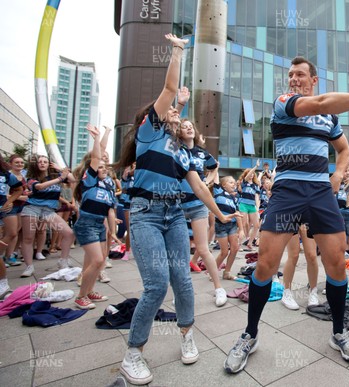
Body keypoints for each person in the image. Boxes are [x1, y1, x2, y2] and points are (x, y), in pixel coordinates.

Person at [223, 56, 349, 374]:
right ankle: (249, 335)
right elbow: (319, 103)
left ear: (314, 79)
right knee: (265, 265)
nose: (293, 79)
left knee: (334, 264)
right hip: (287, 192)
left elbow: (343, 149)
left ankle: (338, 332)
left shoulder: (329, 119)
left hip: (321, 194)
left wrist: (338, 176)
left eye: (300, 74)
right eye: (290, 74)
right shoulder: (284, 103)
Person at [114, 33, 235, 385]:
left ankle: (186, 335)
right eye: (169, 112)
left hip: (173, 216)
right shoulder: (149, 132)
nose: (172, 112)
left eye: (176, 113)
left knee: (182, 280)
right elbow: (169, 89)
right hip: (145, 214)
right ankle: (132, 354)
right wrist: (178, 51)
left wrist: (220, 213)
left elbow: (197, 186)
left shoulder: (182, 152)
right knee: (156, 285)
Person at [177, 118, 227, 306]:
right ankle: (180, 293)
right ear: (179, 132)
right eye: (184, 127)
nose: (189, 128)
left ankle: (218, 288)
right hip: (178, 206)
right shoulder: (176, 150)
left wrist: (208, 181)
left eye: (191, 126)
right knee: (180, 252)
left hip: (198, 205)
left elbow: (215, 168)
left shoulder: (201, 153)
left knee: (203, 248)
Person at [72, 125, 120, 309]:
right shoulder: (90, 180)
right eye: (99, 166)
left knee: (100, 261)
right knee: (98, 261)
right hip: (86, 224)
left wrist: (113, 232)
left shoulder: (108, 184)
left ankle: (90, 291)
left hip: (100, 224)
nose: (103, 168)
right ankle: (81, 296)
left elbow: (110, 210)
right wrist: (100, 136)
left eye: (105, 166)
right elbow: (96, 156)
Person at [20, 155, 76, 277]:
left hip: (48, 210)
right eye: (40, 162)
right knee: (28, 238)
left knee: (69, 233)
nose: (42, 163)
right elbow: (39, 187)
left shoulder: (55, 176)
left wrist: (60, 169)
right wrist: (61, 178)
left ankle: (63, 261)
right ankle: (29, 266)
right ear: (36, 164)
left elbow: (72, 179)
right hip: (32, 207)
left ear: (49, 164)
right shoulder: (31, 177)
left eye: (45, 162)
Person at [0, 159, 24, 299]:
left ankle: (3, 283)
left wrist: (9, 201)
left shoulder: (5, 174)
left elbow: (19, 188)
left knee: (13, 233)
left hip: (3, 208)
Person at [237, 162, 261, 251]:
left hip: (252, 205)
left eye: (253, 174)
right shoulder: (244, 182)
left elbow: (257, 197)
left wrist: (257, 208)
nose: (251, 175)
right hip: (243, 204)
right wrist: (256, 166)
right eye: (249, 173)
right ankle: (238, 244)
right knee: (243, 224)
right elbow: (247, 177)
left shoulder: (256, 185)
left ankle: (250, 243)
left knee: (256, 225)